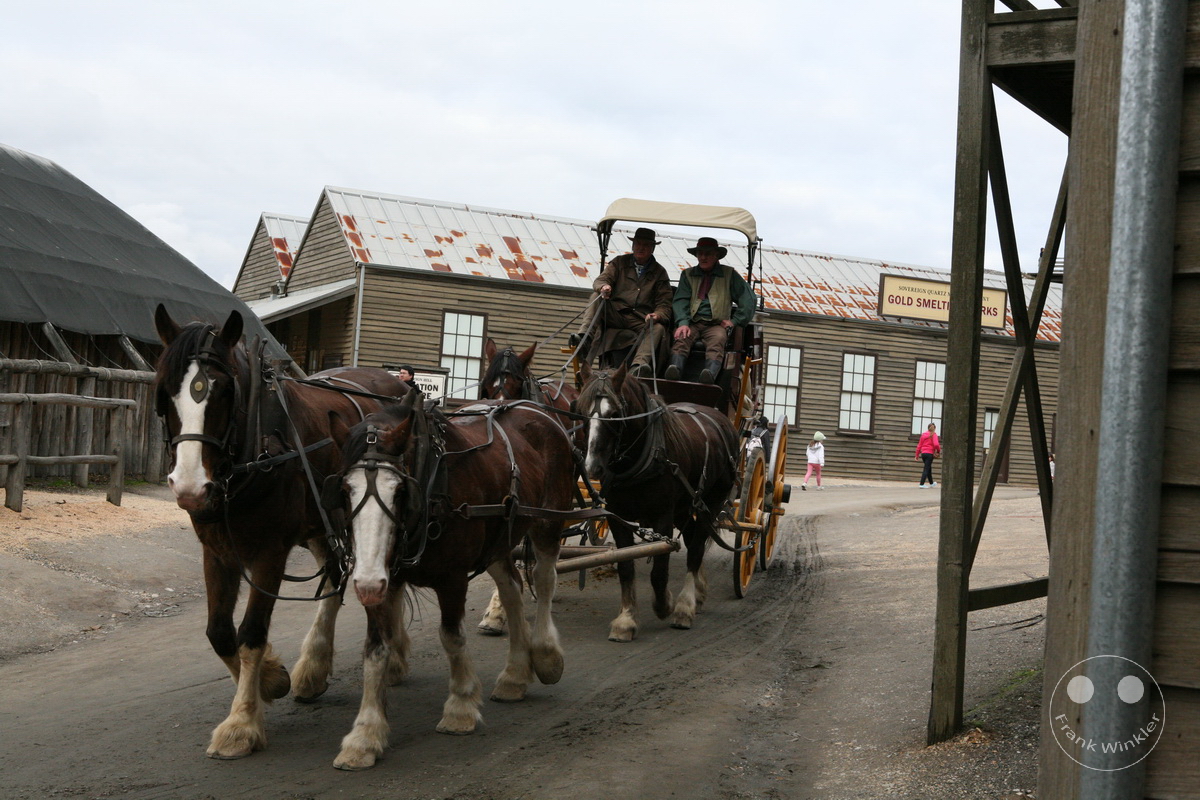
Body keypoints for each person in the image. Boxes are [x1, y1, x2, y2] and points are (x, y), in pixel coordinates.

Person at [569, 227, 673, 378]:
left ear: (652, 248)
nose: (640, 248)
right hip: (615, 313)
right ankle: (584, 338)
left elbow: (664, 304)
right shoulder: (619, 263)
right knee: (595, 297)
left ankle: (638, 366)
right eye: (638, 243)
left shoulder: (660, 273)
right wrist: (604, 287)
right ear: (633, 245)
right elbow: (601, 280)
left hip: (639, 319)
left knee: (658, 328)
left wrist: (657, 315)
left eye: (645, 245)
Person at [666, 236, 757, 384]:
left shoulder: (729, 275)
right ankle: (674, 371)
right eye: (700, 254)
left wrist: (735, 321)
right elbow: (680, 300)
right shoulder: (688, 275)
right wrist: (683, 322)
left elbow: (749, 299)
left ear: (716, 256)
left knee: (718, 340)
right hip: (692, 323)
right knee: (681, 338)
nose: (703, 257)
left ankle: (709, 376)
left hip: (716, 325)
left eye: (707, 254)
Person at [915, 422, 941, 487]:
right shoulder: (934, 435)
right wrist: (938, 451)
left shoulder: (923, 435)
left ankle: (931, 483)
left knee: (928, 467)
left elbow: (919, 445)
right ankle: (921, 484)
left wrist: (917, 455)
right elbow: (936, 444)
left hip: (923, 453)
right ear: (934, 428)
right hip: (929, 454)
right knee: (926, 468)